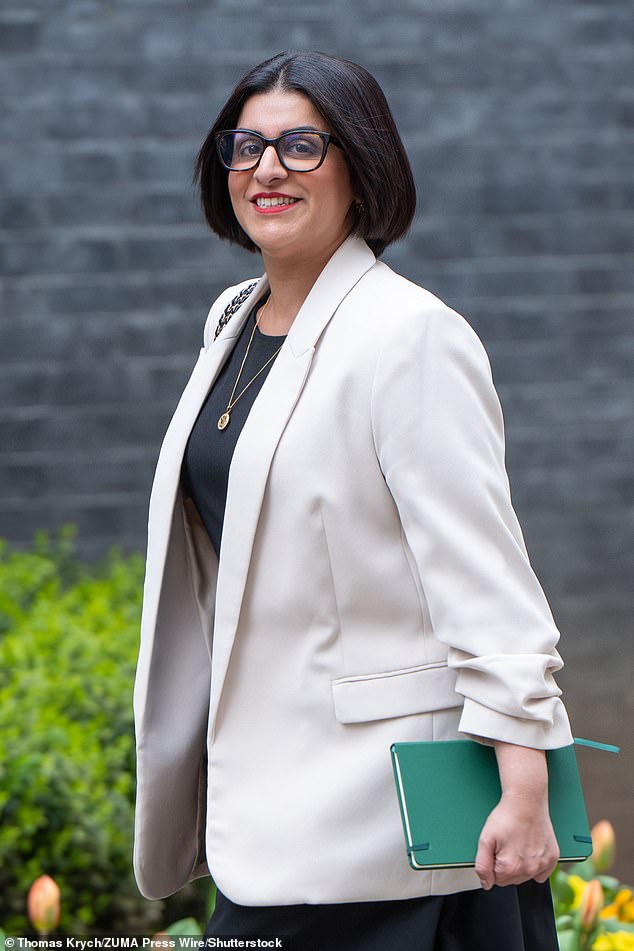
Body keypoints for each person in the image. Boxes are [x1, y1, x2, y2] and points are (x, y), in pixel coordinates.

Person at [132, 50, 574, 950]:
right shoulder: (230, 323)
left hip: (389, 825)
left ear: (360, 163)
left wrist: (525, 777)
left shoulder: (409, 335)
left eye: (302, 145)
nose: (266, 168)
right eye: (245, 145)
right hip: (268, 799)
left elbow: (481, 566)